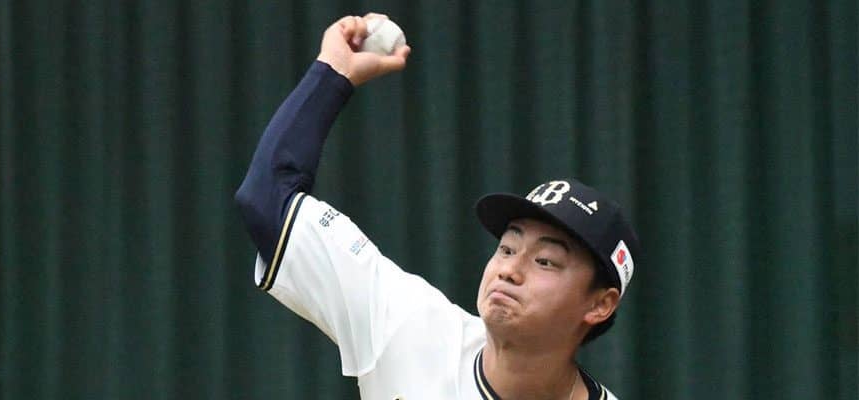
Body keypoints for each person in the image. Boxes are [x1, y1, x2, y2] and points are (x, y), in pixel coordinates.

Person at [235, 13, 640, 400]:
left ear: (600, 304)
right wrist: (332, 74)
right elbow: (267, 198)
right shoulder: (410, 325)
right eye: (507, 248)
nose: (509, 270)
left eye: (545, 261)